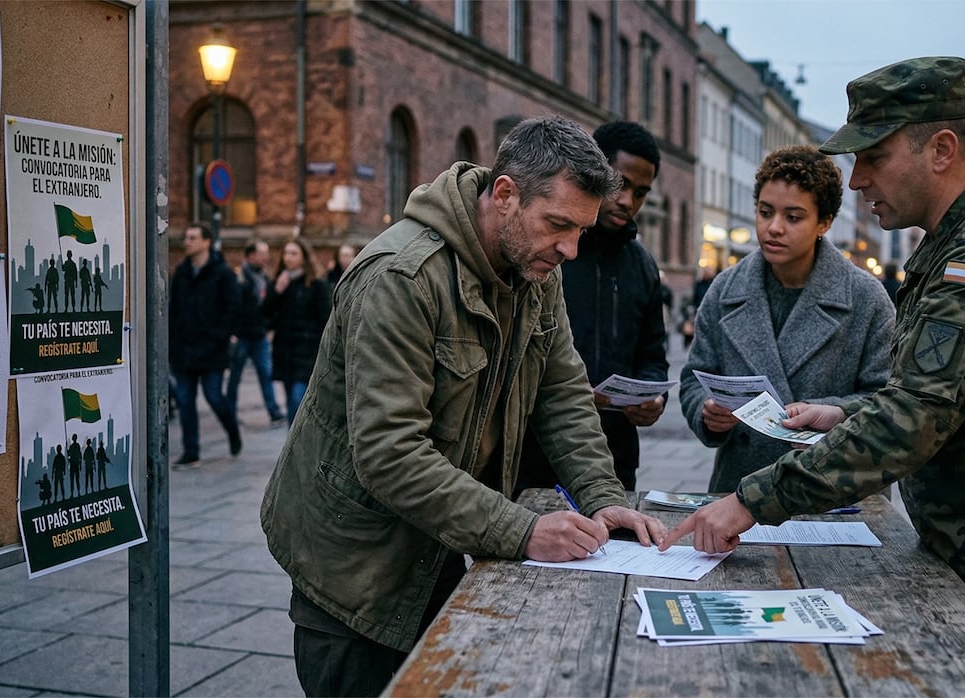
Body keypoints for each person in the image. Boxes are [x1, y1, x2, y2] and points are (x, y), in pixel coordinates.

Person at [659, 57, 965, 696]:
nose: (858, 178)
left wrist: (751, 500)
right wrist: (844, 414)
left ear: (941, 150)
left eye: (873, 156)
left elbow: (912, 420)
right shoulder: (954, 244)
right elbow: (930, 395)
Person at [260, 116, 666, 698]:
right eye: (558, 225)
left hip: (439, 541)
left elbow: (561, 393)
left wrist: (604, 497)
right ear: (505, 195)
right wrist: (523, 531)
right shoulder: (401, 277)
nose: (571, 249)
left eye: (581, 230)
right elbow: (390, 453)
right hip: (354, 567)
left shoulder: (535, 269)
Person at [679, 145, 895, 493]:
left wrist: (826, 412)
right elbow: (694, 378)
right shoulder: (725, 290)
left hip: (833, 492)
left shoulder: (865, 298)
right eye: (765, 212)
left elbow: (889, 401)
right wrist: (706, 412)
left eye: (793, 217)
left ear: (824, 222)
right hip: (741, 489)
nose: (774, 227)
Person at [517, 121, 669, 492]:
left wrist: (653, 397)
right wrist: (570, 392)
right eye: (620, 184)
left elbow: (652, 355)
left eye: (641, 193)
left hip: (614, 456)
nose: (628, 201)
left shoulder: (643, 266)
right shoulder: (549, 251)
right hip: (533, 454)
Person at [169, 222, 242, 467]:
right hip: (184, 348)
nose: (186, 242)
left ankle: (232, 430)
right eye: (186, 237)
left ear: (206, 242)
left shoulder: (222, 273)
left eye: (192, 238)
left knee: (214, 397)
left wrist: (219, 336)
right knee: (185, 401)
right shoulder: (182, 272)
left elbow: (233, 308)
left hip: (212, 349)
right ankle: (191, 452)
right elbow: (173, 308)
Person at [262, 238, 331, 425]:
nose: (288, 258)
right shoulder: (281, 281)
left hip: (307, 352)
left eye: (293, 253)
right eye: (286, 253)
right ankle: (293, 440)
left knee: (296, 401)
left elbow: (325, 319)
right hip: (285, 352)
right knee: (291, 400)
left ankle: (295, 440)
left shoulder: (316, 284)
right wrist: (276, 291)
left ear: (304, 257)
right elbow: (265, 313)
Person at [226, 239, 286, 425]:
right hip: (242, 335)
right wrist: (232, 332)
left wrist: (268, 327)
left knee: (266, 374)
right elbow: (232, 307)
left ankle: (273, 411)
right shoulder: (239, 278)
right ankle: (230, 412)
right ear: (251, 255)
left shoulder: (264, 278)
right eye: (262, 254)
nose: (266, 258)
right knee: (235, 377)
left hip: (259, 335)